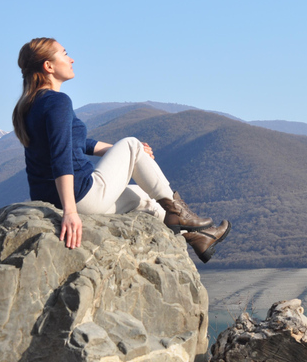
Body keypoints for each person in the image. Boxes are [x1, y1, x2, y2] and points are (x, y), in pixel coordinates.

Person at [12, 37, 230, 263]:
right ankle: (183, 215)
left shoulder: (29, 104)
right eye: (65, 54)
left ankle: (199, 239)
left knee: (148, 200)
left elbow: (79, 142)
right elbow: (61, 157)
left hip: (52, 198)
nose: (72, 59)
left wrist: (119, 152)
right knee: (132, 144)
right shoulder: (58, 102)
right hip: (79, 196)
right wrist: (70, 212)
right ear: (48, 66)